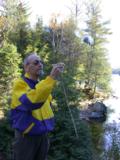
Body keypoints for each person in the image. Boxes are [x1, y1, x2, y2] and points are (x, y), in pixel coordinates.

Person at [10, 53, 64, 160]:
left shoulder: (42, 85)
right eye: (36, 62)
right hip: (27, 138)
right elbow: (32, 101)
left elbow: (46, 107)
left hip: (43, 136)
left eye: (41, 62)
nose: (40, 64)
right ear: (26, 67)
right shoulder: (20, 84)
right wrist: (51, 77)